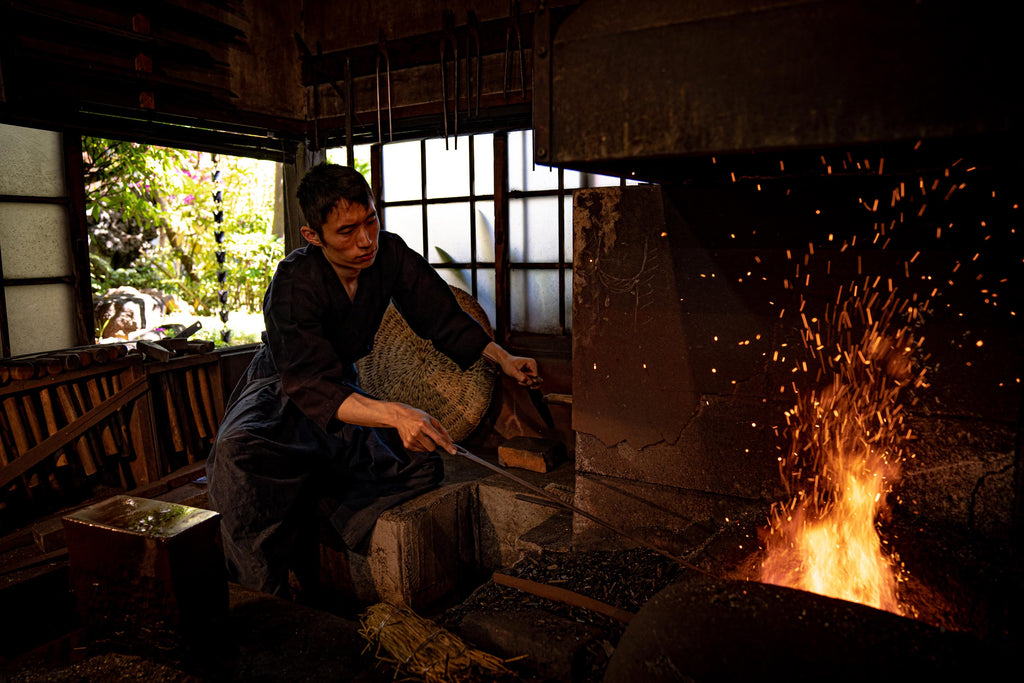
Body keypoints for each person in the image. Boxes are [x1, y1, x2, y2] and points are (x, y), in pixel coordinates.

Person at [205, 162, 541, 597]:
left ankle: (317, 502)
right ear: (313, 236)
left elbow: (439, 313)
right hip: (282, 384)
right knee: (235, 459)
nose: (366, 240)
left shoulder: (389, 254)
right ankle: (264, 600)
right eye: (347, 232)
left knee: (420, 464)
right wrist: (397, 413)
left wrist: (503, 358)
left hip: (342, 387)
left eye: (371, 221)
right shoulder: (292, 285)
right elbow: (309, 384)